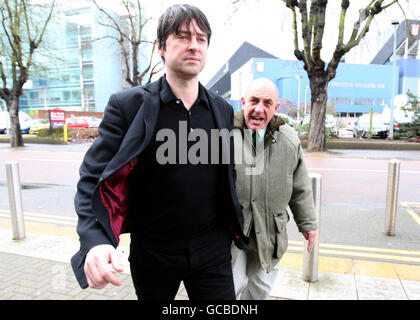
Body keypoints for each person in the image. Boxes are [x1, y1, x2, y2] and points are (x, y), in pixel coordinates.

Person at [70, 4, 248, 300]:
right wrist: (95, 241)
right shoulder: (127, 106)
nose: (194, 45)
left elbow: (225, 172)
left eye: (201, 39)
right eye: (182, 36)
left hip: (212, 250)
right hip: (154, 252)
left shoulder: (222, 110)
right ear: (161, 47)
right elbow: (93, 177)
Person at [231, 78, 318, 300]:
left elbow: (300, 187)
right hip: (231, 230)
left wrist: (307, 224)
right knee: (233, 284)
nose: (259, 109)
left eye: (267, 103)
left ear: (275, 108)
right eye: (254, 100)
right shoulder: (224, 133)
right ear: (243, 102)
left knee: (260, 288)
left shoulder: (288, 139)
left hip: (269, 230)